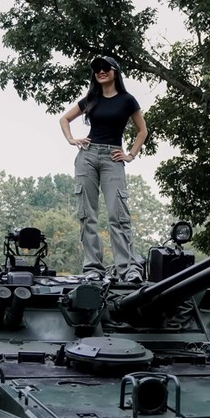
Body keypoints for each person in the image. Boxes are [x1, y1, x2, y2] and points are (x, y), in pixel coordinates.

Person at [59, 55, 148, 282]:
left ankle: (128, 269)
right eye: (97, 69)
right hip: (87, 156)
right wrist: (71, 139)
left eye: (105, 68)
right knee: (87, 215)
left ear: (115, 72)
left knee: (117, 215)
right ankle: (93, 269)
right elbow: (64, 119)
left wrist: (130, 155)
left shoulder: (127, 100)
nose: (101, 71)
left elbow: (142, 131)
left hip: (113, 158)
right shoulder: (91, 99)